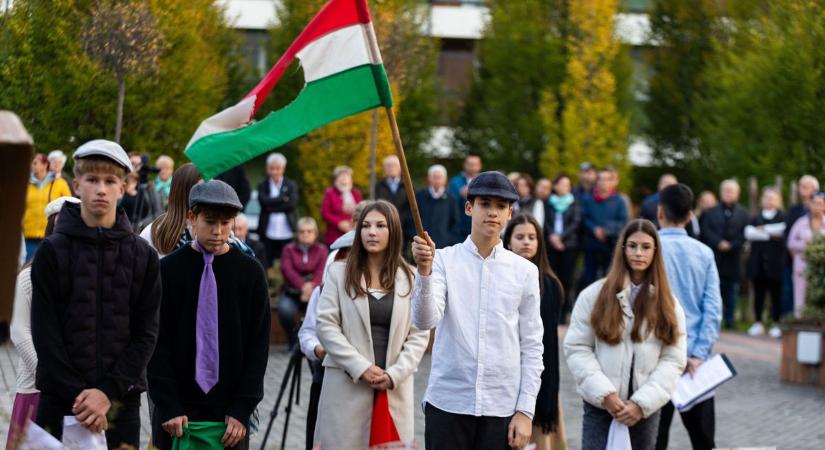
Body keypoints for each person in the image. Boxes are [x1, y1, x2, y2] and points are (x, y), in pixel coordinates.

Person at [31, 139, 161, 448]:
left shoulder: (143, 256)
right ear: (76, 185)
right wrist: (81, 395)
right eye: (92, 180)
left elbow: (147, 333)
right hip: (60, 400)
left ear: (122, 187)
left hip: (119, 405)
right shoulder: (52, 251)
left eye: (109, 181)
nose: (101, 189)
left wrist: (106, 393)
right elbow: (45, 331)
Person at [412, 171, 544, 450]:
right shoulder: (443, 261)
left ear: (510, 213)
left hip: (501, 406)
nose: (492, 212)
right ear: (469, 207)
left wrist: (525, 411)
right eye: (485, 204)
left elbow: (532, 344)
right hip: (448, 402)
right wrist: (424, 272)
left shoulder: (525, 271)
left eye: (500, 206)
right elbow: (425, 321)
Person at [148, 180, 270, 450]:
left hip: (230, 418)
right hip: (177, 414)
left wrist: (242, 408)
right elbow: (156, 342)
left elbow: (258, 346)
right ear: (192, 216)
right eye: (210, 222)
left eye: (226, 223)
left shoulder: (250, 272)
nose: (218, 232)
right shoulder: (166, 271)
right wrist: (167, 405)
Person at [314, 200, 429, 449]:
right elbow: (325, 325)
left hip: (392, 389)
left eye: (380, 225)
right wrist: (361, 367)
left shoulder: (410, 276)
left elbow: (419, 334)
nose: (371, 232)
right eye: (365, 226)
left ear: (394, 231)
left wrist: (395, 374)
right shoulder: (338, 273)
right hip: (347, 387)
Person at [564, 219, 687, 450]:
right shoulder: (594, 295)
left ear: (655, 251)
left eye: (645, 247)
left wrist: (642, 403)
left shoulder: (668, 304)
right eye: (632, 246)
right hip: (601, 405)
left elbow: (673, 358)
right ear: (623, 249)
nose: (638, 253)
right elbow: (577, 348)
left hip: (644, 409)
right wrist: (605, 394)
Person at [7, 196, 79, 449]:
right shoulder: (29, 276)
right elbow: (19, 331)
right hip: (36, 387)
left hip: (77, 391)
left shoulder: (86, 276)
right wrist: (50, 374)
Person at [654, 184, 722, 450]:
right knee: (703, 441)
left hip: (656, 359)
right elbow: (713, 308)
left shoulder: (647, 249)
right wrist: (699, 354)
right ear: (691, 215)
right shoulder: (704, 253)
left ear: (660, 212)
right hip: (695, 363)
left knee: (653, 440)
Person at [504, 214, 565, 450]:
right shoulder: (500, 278)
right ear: (509, 241)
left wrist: (545, 391)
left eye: (532, 237)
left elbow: (548, 345)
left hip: (541, 380)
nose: (526, 242)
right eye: (520, 237)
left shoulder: (550, 284)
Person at [700, 179, 749, 329]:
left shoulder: (744, 214)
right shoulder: (710, 213)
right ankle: (714, 320)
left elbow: (745, 234)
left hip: (734, 258)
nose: (728, 193)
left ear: (737, 194)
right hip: (716, 257)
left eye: (731, 191)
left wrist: (731, 245)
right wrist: (718, 243)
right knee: (715, 290)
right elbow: (706, 231)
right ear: (721, 193)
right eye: (725, 190)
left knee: (732, 291)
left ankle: (730, 320)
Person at [279, 217, 328, 349]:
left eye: (309, 231)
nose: (305, 234)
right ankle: (294, 339)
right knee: (285, 310)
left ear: (315, 234)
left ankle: (314, 344)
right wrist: (302, 286)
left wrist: (311, 287)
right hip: (292, 292)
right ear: (297, 233)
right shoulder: (288, 249)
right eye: (302, 231)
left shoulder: (322, 250)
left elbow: (322, 271)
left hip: (315, 293)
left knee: (321, 314)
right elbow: (287, 270)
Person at [745, 188, 786, 337]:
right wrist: (770, 233)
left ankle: (776, 323)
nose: (769, 200)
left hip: (775, 264)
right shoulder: (755, 217)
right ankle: (758, 322)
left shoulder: (783, 216)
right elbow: (749, 233)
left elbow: (782, 231)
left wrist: (763, 230)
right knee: (759, 294)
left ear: (778, 200)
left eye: (772, 198)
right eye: (767, 197)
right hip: (758, 263)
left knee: (776, 295)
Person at [579, 167, 628, 289]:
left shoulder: (620, 201)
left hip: (611, 246)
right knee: (589, 279)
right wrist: (594, 228)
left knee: (609, 279)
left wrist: (606, 230)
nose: (603, 182)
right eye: (600, 179)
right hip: (591, 245)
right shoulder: (588, 200)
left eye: (607, 179)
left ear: (613, 182)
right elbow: (583, 218)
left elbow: (623, 222)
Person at [140, 163, 203, 257]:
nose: (207, 195)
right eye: (200, 189)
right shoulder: (155, 232)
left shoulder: (217, 231)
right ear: (183, 192)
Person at [23, 153, 72, 261]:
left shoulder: (60, 183)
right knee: (28, 267)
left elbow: (70, 204)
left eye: (35, 163)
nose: (32, 165)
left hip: (51, 232)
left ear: (45, 165)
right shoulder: (27, 184)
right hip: (29, 233)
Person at [783, 175, 819, 317]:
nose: (801, 190)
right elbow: (790, 239)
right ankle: (794, 321)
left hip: (818, 265)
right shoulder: (796, 213)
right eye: (800, 186)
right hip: (797, 262)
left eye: (805, 186)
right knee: (795, 294)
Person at [544, 174, 581, 315]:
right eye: (562, 184)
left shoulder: (574, 202)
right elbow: (546, 222)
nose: (565, 187)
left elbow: (575, 223)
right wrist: (552, 237)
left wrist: (560, 237)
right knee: (552, 278)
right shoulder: (549, 202)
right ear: (555, 186)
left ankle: (564, 311)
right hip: (551, 244)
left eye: (568, 185)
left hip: (569, 245)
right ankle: (552, 309)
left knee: (567, 278)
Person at [787, 192, 825, 319]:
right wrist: (806, 246)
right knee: (800, 296)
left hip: (821, 269)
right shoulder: (801, 223)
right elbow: (791, 243)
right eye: (815, 203)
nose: (817, 206)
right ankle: (800, 322)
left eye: (820, 204)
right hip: (802, 266)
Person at [257, 152, 299, 267]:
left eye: (277, 168)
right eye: (272, 168)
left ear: (283, 169)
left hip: (287, 231)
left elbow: (291, 204)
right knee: (266, 261)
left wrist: (271, 206)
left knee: (287, 262)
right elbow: (263, 202)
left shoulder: (290, 184)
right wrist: (282, 199)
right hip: (268, 231)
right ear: (267, 168)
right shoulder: (263, 185)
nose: (274, 171)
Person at [416, 164, 460, 248]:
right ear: (429, 178)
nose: (437, 180)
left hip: (444, 245)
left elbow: (455, 223)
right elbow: (412, 219)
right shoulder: (420, 196)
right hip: (423, 244)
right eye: (434, 177)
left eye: (440, 177)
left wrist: (449, 240)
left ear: (445, 179)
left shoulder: (451, 199)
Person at [321, 165, 363, 246]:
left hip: (353, 233)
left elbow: (361, 211)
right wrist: (339, 223)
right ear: (336, 180)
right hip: (334, 235)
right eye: (342, 177)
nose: (344, 180)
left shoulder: (356, 193)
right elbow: (325, 213)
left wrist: (352, 222)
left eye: (347, 177)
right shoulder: (330, 193)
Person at [376, 155, 412, 241]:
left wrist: (400, 220)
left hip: (403, 227)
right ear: (385, 169)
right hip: (384, 226)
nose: (392, 168)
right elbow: (376, 205)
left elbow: (411, 207)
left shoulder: (408, 185)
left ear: (400, 168)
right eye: (388, 165)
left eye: (394, 165)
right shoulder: (378, 186)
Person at [448, 153, 483, 239]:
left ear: (480, 166)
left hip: (481, 228)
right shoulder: (455, 182)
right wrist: (460, 194)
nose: (472, 167)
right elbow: (449, 203)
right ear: (464, 165)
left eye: (475, 164)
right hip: (460, 229)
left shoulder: (485, 181)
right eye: (470, 164)